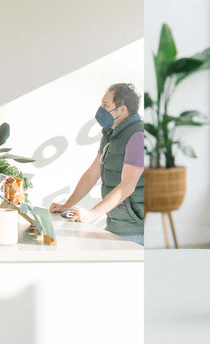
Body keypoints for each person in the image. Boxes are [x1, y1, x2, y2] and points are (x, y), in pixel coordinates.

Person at [50, 82, 146, 244]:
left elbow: (127, 185)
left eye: (105, 105)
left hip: (136, 230)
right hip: (117, 225)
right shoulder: (110, 135)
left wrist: (92, 214)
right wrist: (66, 206)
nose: (100, 109)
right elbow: (92, 174)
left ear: (122, 110)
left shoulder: (137, 136)